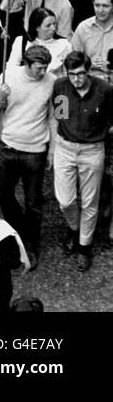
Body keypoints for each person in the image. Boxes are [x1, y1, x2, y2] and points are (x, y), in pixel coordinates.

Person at [0, 44, 56, 264]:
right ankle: (19, 229)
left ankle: (31, 245)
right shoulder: (9, 76)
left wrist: (53, 149)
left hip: (35, 151)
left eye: (45, 67)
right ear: (27, 64)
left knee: (34, 202)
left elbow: (57, 115)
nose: (42, 72)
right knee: (3, 195)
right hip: (7, 147)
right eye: (39, 68)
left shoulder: (53, 82)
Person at [51, 50, 112, 271]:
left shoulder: (104, 89)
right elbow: (60, 117)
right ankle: (74, 228)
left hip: (92, 150)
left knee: (89, 202)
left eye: (81, 74)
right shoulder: (60, 86)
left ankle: (84, 246)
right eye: (72, 74)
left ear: (89, 71)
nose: (77, 79)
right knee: (65, 200)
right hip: (65, 147)